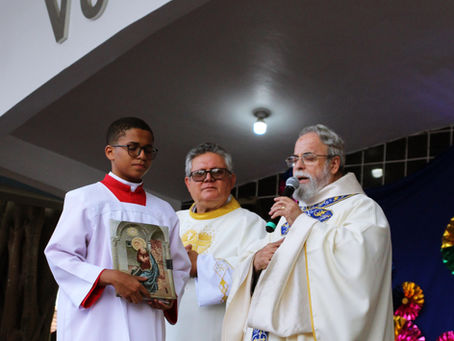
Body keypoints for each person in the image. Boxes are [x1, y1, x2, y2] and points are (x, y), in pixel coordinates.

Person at [222, 124, 394, 341]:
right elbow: (255, 262)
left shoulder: (362, 209)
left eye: (309, 158)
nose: (298, 166)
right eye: (294, 160)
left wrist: (302, 223)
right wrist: (255, 263)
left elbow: (360, 264)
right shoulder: (290, 213)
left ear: (334, 164)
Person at [45, 117, 191, 341]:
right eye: (133, 148)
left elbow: (179, 267)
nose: (142, 156)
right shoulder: (83, 199)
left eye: (148, 150)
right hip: (96, 318)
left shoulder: (163, 211)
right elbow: (59, 254)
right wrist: (107, 276)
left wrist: (166, 295)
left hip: (145, 317)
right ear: (110, 152)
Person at [166, 142, 267, 341]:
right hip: (168, 329)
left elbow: (260, 280)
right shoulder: (173, 220)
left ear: (231, 179)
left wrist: (200, 266)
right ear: (188, 182)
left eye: (217, 172)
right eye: (199, 174)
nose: (208, 179)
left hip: (216, 332)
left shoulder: (252, 224)